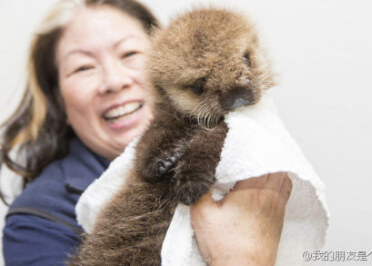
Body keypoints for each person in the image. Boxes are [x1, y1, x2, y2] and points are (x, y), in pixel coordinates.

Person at [0, 0, 292, 265]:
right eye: (84, 67)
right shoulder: (37, 220)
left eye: (129, 53)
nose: (115, 81)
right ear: (58, 98)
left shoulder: (243, 134)